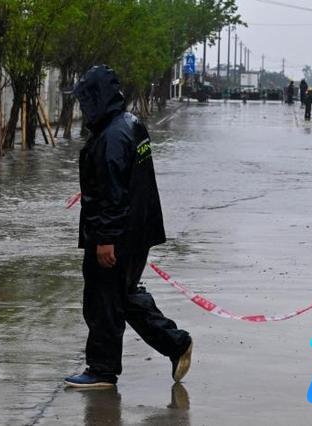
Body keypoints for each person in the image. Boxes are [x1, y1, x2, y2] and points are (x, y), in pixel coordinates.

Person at [64, 65, 192, 388]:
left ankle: (103, 369)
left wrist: (105, 239)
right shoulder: (131, 125)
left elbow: (112, 193)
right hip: (136, 233)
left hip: (116, 236)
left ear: (97, 98)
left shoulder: (112, 136)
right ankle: (175, 343)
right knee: (123, 297)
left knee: (103, 301)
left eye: (85, 101)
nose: (82, 107)